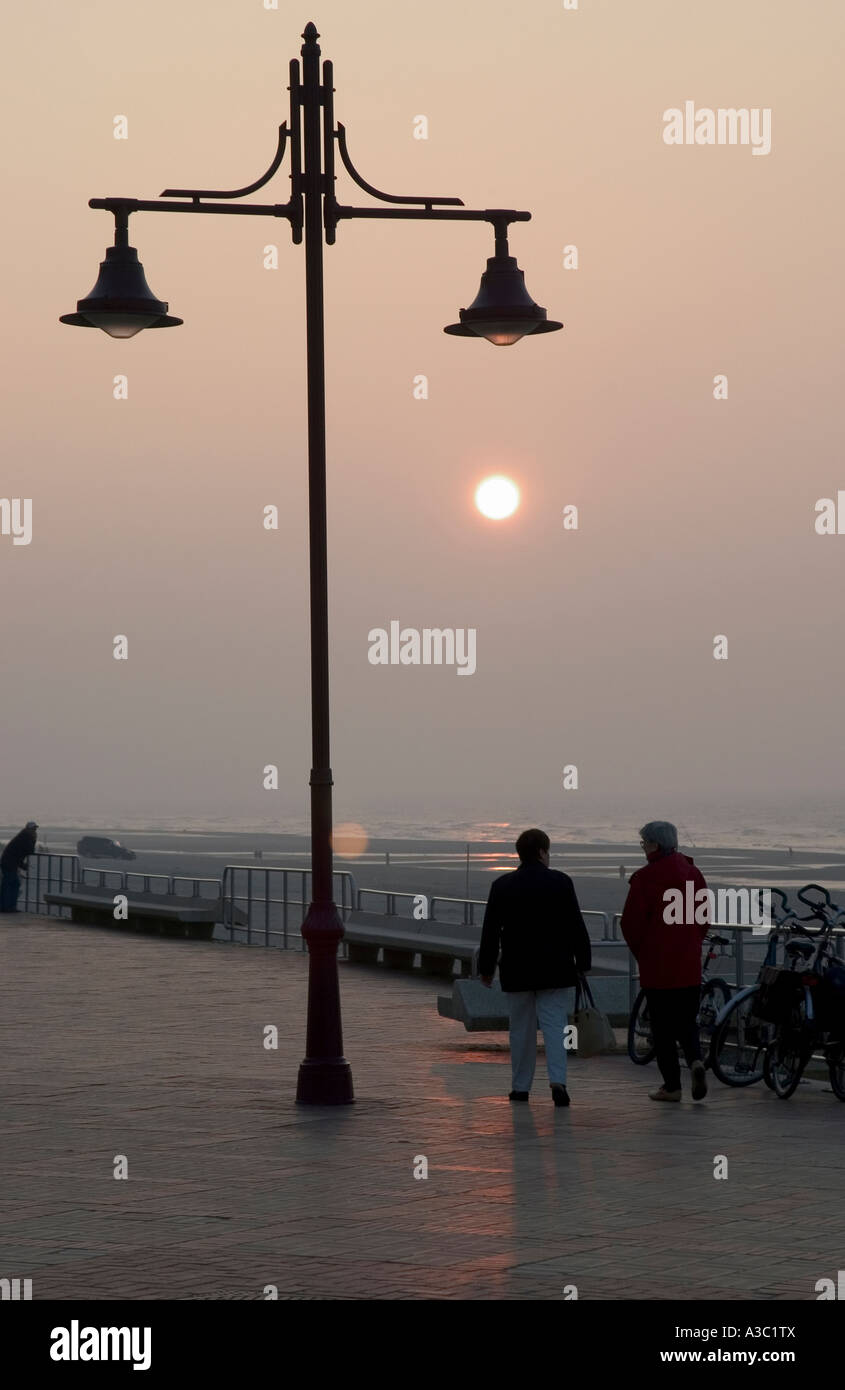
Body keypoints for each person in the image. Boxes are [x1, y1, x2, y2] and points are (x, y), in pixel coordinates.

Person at [478, 827, 591, 1107]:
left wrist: (486, 967)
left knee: (520, 1029)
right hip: (555, 967)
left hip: (517, 968)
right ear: (542, 852)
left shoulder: (502, 885)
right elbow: (576, 925)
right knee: (555, 1026)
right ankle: (558, 1082)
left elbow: (490, 931)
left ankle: (520, 1087)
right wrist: (583, 961)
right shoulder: (561, 882)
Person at [620, 820, 709, 1103]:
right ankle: (695, 1059)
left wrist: (643, 953)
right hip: (688, 963)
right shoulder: (693, 874)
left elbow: (631, 924)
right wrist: (692, 943)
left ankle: (672, 1086)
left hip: (658, 966)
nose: (643, 848)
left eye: (644, 843)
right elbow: (703, 918)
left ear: (655, 845)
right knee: (686, 1021)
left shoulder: (645, 878)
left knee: (662, 1029)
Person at [0, 821, 38, 914]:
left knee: (7, 884)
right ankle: (9, 906)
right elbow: (29, 851)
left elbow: (17, 854)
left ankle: (5, 906)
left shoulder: (22, 836)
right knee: (13, 884)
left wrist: (22, 865)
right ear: (28, 829)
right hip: (10, 864)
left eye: (35, 829)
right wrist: (34, 839)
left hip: (8, 862)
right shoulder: (26, 837)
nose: (34, 830)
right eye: (33, 829)